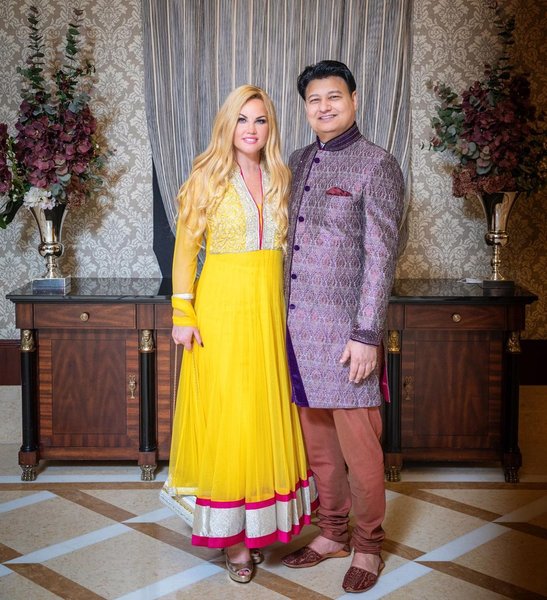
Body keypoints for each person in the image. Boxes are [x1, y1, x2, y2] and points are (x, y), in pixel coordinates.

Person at [160, 84, 317, 584]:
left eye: (261, 120)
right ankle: (233, 542)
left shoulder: (282, 177)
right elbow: (185, 253)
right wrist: (183, 315)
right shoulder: (206, 178)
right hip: (222, 312)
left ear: (271, 127)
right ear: (227, 125)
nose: (252, 129)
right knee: (230, 415)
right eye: (243, 119)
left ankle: (262, 525)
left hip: (270, 312)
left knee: (263, 411)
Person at [281, 60, 404, 594]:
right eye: (314, 99)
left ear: (354, 100)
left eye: (334, 96)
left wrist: (367, 334)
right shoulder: (297, 160)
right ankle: (331, 532)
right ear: (305, 108)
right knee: (321, 448)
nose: (324, 106)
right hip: (298, 334)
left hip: (347, 336)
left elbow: (381, 258)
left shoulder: (377, 164)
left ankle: (368, 545)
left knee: (361, 451)